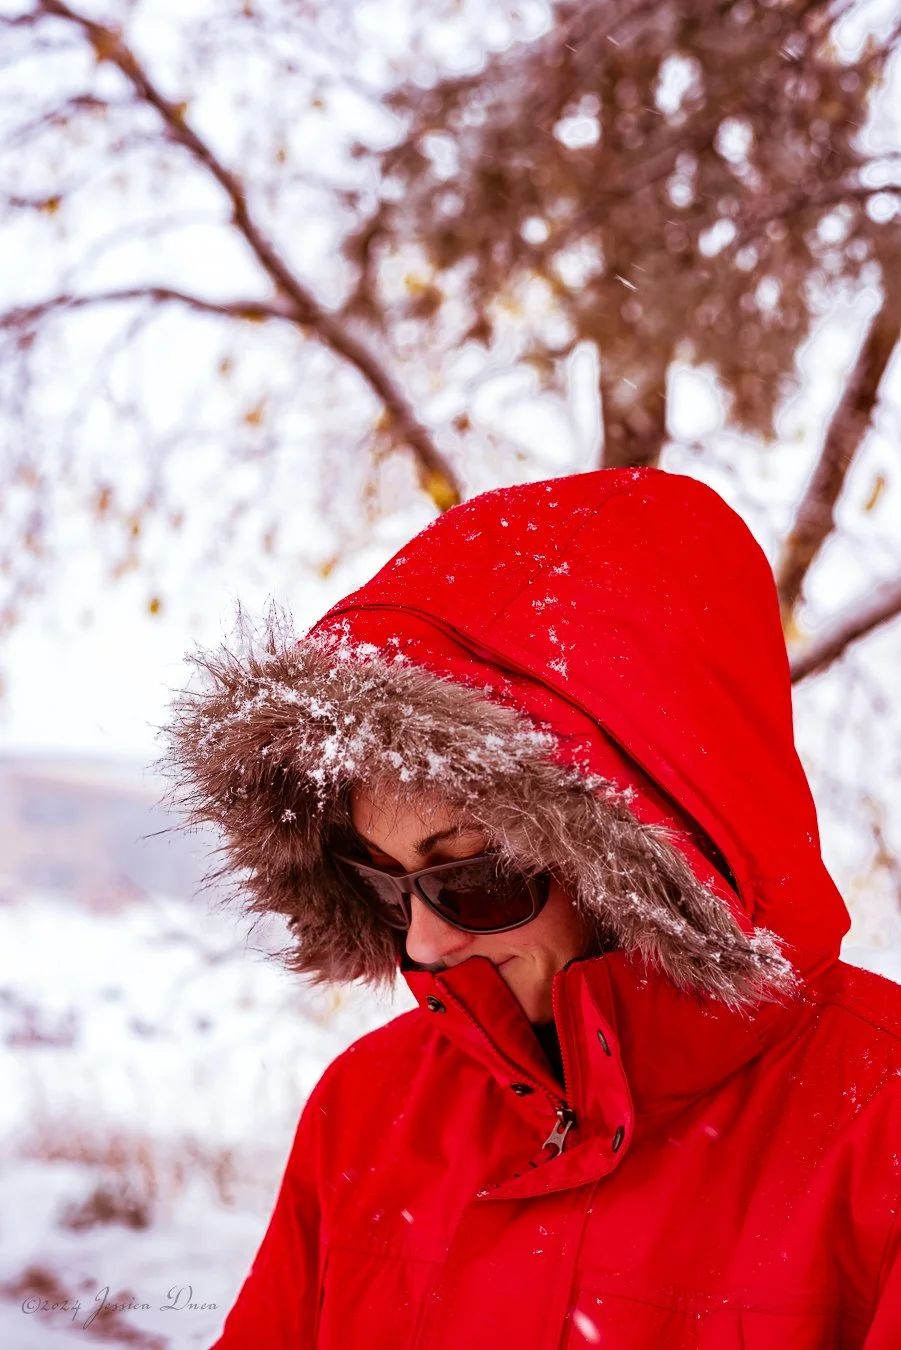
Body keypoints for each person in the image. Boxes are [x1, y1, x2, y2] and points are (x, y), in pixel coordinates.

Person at [164, 467, 901, 1348]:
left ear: (638, 856)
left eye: (474, 878)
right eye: (385, 883)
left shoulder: (876, 1127)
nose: (426, 946)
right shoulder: (368, 1109)